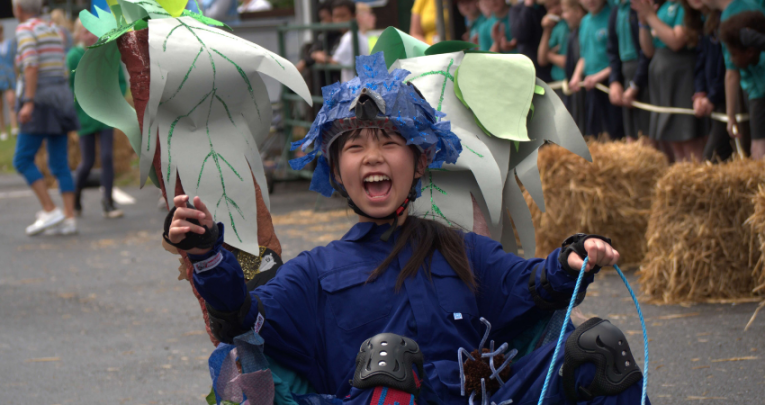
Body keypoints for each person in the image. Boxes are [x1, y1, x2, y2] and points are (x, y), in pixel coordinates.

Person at [164, 52, 649, 405]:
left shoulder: (461, 250)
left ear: (419, 164)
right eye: (354, 147)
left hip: (483, 399)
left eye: (391, 142)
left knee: (598, 349)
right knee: (387, 363)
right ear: (336, 174)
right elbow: (242, 320)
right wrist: (208, 254)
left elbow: (529, 285)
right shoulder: (315, 272)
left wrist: (570, 261)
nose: (373, 156)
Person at [11, 0, 80, 236]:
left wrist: (28, 101)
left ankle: (50, 209)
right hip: (60, 98)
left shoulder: (25, 29)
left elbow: (31, 64)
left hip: (39, 99)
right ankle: (69, 218)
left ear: (18, 9)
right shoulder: (54, 29)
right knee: (59, 162)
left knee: (21, 159)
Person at [633, 0, 707, 161]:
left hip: (681, 76)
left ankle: (696, 177)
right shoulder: (664, 7)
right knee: (674, 142)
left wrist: (651, 16)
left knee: (688, 138)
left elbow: (676, 41)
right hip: (663, 78)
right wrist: (643, 22)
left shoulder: (684, 7)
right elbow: (649, 50)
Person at [67, 19, 125, 219]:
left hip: (106, 113)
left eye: (92, 31)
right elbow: (70, 87)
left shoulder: (108, 52)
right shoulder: (74, 57)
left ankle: (107, 201)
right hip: (85, 115)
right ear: (78, 35)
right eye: (85, 32)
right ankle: (75, 197)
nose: (90, 35)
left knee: (108, 156)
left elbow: (120, 81)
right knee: (87, 161)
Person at [704, 0, 765, 159]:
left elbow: (732, 73)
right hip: (757, 89)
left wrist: (730, 116)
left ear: (751, 51)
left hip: (758, 90)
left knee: (759, 149)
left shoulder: (730, 16)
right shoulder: (753, 4)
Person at [682, 0, 731, 161]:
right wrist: (700, 93)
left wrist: (712, 97)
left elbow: (727, 65)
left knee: (711, 158)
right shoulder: (702, 21)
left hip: (727, 98)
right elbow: (701, 61)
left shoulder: (726, 16)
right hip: (712, 99)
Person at [570, 0, 625, 139]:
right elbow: (584, 56)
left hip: (610, 83)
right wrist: (576, 76)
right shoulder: (585, 22)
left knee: (615, 131)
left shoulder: (612, 16)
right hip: (590, 84)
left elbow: (617, 57)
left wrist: (598, 77)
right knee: (593, 132)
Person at [607, 0, 651, 141]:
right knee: (630, 135)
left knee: (647, 135)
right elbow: (612, 51)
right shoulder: (616, 10)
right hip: (626, 76)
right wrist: (614, 81)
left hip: (645, 76)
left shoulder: (640, 5)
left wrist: (636, 84)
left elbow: (646, 51)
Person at [312, 0, 370, 83]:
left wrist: (316, 55)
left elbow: (335, 63)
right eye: (336, 16)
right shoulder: (357, 35)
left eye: (343, 16)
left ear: (353, 16)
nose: (339, 20)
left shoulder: (349, 37)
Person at [510, 0, 552, 81]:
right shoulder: (516, 9)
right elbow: (519, 34)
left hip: (549, 65)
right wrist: (528, 6)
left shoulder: (545, 6)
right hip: (531, 67)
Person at [562, 0, 588, 131]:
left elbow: (584, 57)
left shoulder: (583, 30)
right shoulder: (573, 35)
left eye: (566, 11)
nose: (563, 16)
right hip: (576, 88)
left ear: (578, 11)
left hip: (586, 87)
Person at [538, 0, 569, 97]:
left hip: (571, 83)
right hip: (557, 83)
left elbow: (568, 62)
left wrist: (550, 55)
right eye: (549, 8)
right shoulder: (557, 27)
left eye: (556, 4)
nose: (554, 10)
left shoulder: (571, 25)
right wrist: (547, 30)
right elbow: (542, 60)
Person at [0, 25, 18, 141]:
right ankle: (3, 131)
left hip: (9, 76)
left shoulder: (10, 44)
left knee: (11, 101)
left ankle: (14, 126)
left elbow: (15, 61)